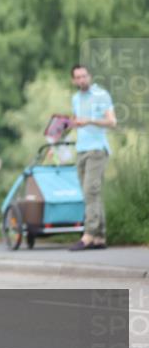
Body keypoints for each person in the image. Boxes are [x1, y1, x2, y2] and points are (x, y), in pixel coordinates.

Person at [68, 64, 116, 250]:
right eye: (78, 77)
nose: (82, 80)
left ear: (90, 76)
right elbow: (76, 121)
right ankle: (99, 237)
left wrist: (90, 121)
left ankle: (88, 235)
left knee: (91, 191)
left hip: (96, 150)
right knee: (91, 194)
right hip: (81, 149)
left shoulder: (101, 95)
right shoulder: (75, 98)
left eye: (84, 76)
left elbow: (112, 121)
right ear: (74, 80)